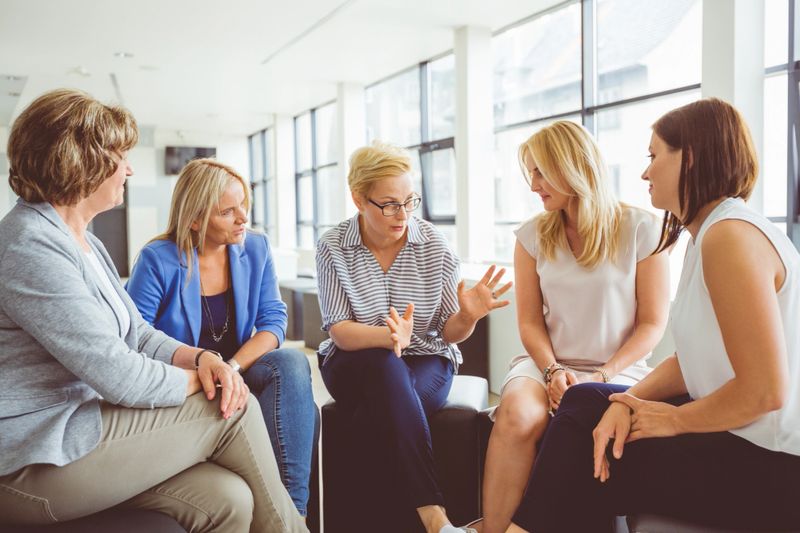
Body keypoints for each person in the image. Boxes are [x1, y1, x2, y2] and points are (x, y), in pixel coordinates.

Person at [0, 89, 307, 533]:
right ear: (79, 160)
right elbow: (120, 375)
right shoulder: (30, 244)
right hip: (32, 459)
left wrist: (202, 359)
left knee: (229, 500)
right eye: (120, 155)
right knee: (231, 405)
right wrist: (208, 379)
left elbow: (139, 335)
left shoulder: (84, 241)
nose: (129, 167)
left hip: (77, 430)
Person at [506, 98, 800, 532]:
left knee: (591, 453)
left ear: (691, 158)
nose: (645, 172)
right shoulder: (709, 236)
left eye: (654, 155)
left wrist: (673, 419)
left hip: (770, 465)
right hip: (741, 438)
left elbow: (765, 392)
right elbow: (694, 361)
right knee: (587, 401)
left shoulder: (729, 238)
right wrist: (629, 401)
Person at [476, 120, 670, 533]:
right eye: (530, 172)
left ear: (572, 166)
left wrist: (599, 376)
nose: (533, 184)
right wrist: (552, 370)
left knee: (585, 418)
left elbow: (652, 324)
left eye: (540, 171)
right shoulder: (531, 235)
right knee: (517, 415)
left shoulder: (642, 228)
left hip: (618, 368)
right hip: (545, 362)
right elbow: (528, 322)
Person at [315, 142, 511, 533]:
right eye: (388, 204)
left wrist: (468, 317)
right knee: (385, 362)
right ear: (358, 199)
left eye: (409, 201)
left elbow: (447, 331)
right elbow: (340, 329)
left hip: (427, 360)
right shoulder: (332, 245)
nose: (401, 214)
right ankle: (435, 518)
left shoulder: (435, 245)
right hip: (351, 360)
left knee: (377, 416)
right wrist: (389, 337)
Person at [126, 158, 318, 518]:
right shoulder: (158, 259)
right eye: (228, 211)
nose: (243, 217)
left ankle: (294, 514)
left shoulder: (255, 248)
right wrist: (206, 370)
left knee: (292, 362)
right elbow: (136, 336)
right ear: (196, 219)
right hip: (190, 382)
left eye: (243, 204)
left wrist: (231, 366)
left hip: (240, 367)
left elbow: (273, 320)